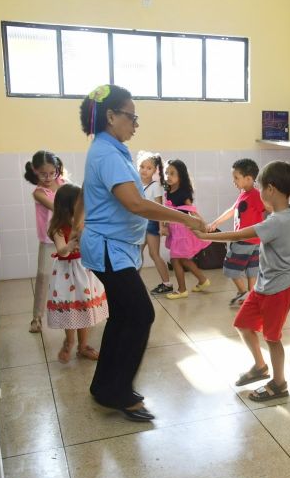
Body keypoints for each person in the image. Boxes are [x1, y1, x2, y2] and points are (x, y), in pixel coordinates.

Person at [76, 84, 204, 422]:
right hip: (108, 249)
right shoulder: (105, 152)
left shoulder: (112, 148)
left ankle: (105, 386)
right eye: (131, 116)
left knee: (122, 316)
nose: (135, 124)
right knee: (141, 314)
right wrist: (184, 218)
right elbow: (134, 203)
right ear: (111, 116)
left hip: (115, 248)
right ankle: (119, 392)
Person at [196, 161, 290, 402]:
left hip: (278, 289)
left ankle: (280, 383)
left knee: (272, 338)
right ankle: (260, 367)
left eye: (261, 188)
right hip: (264, 285)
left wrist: (208, 235)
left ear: (271, 189)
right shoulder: (286, 214)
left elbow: (243, 234)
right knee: (243, 324)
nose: (259, 193)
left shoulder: (277, 221)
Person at [46, 184, 108, 363]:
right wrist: (70, 245)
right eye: (79, 203)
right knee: (71, 307)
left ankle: (83, 346)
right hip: (67, 274)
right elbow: (62, 251)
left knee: (85, 308)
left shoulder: (83, 222)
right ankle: (70, 340)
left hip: (84, 270)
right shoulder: (57, 228)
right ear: (67, 206)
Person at [208, 158, 265, 306]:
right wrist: (216, 222)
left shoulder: (256, 195)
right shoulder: (243, 193)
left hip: (245, 240)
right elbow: (232, 210)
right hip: (253, 241)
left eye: (236, 178)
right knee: (251, 270)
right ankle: (250, 299)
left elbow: (266, 213)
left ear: (249, 178)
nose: (233, 181)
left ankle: (244, 293)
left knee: (230, 268)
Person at [24, 150, 67, 333]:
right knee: (43, 276)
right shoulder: (39, 192)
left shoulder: (63, 184)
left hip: (68, 234)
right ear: (35, 171)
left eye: (52, 173)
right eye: (43, 174)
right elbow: (57, 207)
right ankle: (36, 318)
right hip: (49, 238)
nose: (48, 177)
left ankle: (84, 308)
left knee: (78, 273)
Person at [161, 159, 211, 299]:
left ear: (180, 176)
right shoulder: (169, 191)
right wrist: (165, 225)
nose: (168, 176)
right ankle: (202, 280)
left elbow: (191, 209)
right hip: (175, 229)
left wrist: (202, 223)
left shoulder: (183, 193)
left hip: (182, 230)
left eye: (172, 173)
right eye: (166, 173)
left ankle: (182, 290)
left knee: (176, 259)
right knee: (182, 259)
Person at [137, 150, 173, 295]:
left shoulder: (155, 186)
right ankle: (134, 283)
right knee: (136, 253)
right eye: (142, 166)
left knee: (154, 254)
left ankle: (167, 283)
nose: (144, 170)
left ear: (155, 170)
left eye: (149, 168)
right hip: (139, 223)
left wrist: (161, 226)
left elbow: (159, 209)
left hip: (152, 223)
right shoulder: (135, 184)